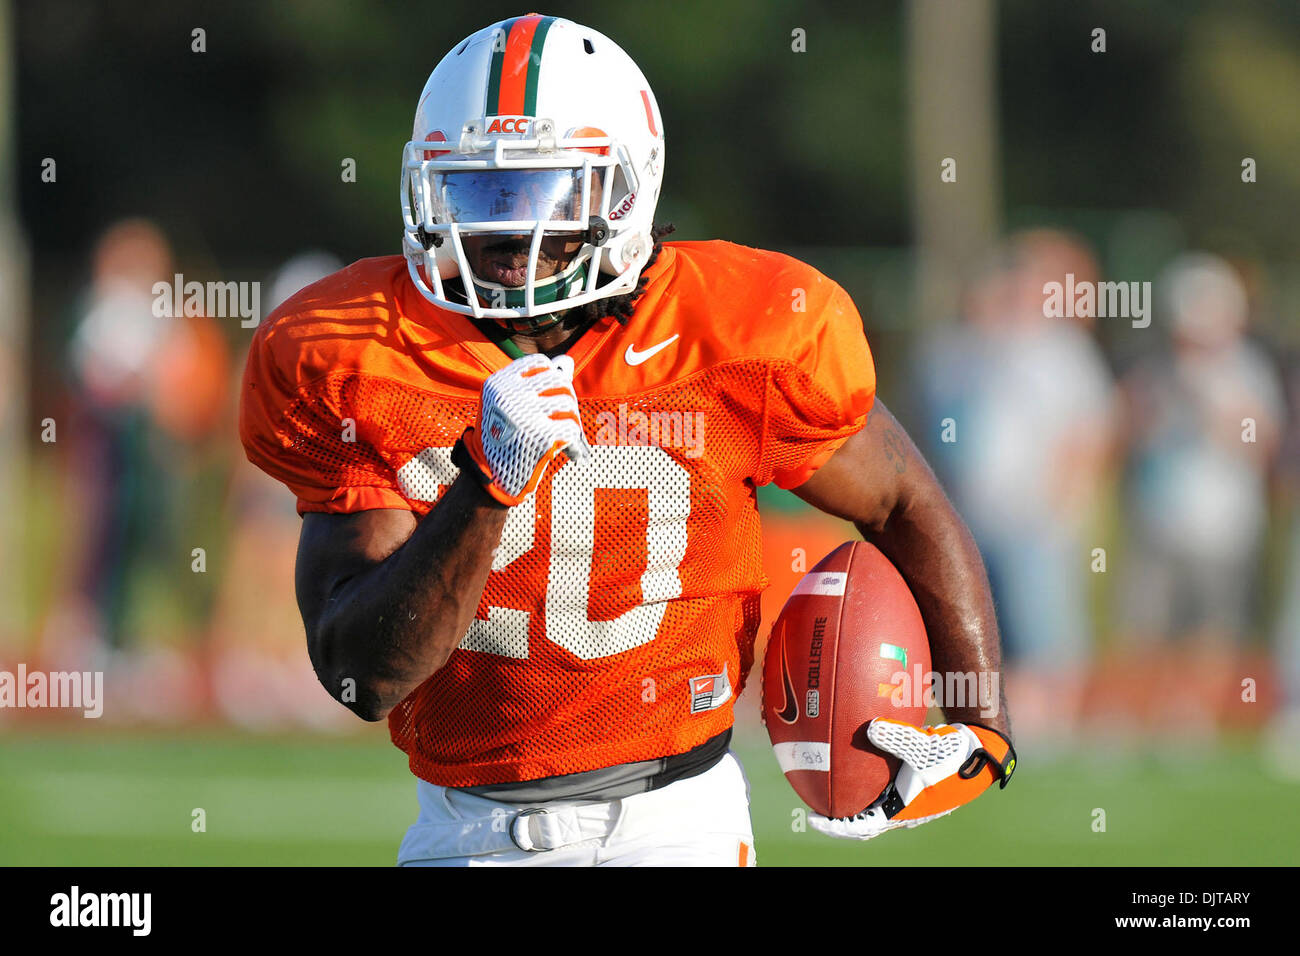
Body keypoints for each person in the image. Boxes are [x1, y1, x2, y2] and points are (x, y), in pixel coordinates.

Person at [238, 15, 1014, 866]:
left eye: (543, 193)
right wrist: (484, 487)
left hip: (678, 824)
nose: (507, 237)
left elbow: (901, 498)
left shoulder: (738, 332)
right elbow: (366, 677)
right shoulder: (353, 352)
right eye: (475, 193)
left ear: (628, 189)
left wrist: (981, 724)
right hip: (465, 830)